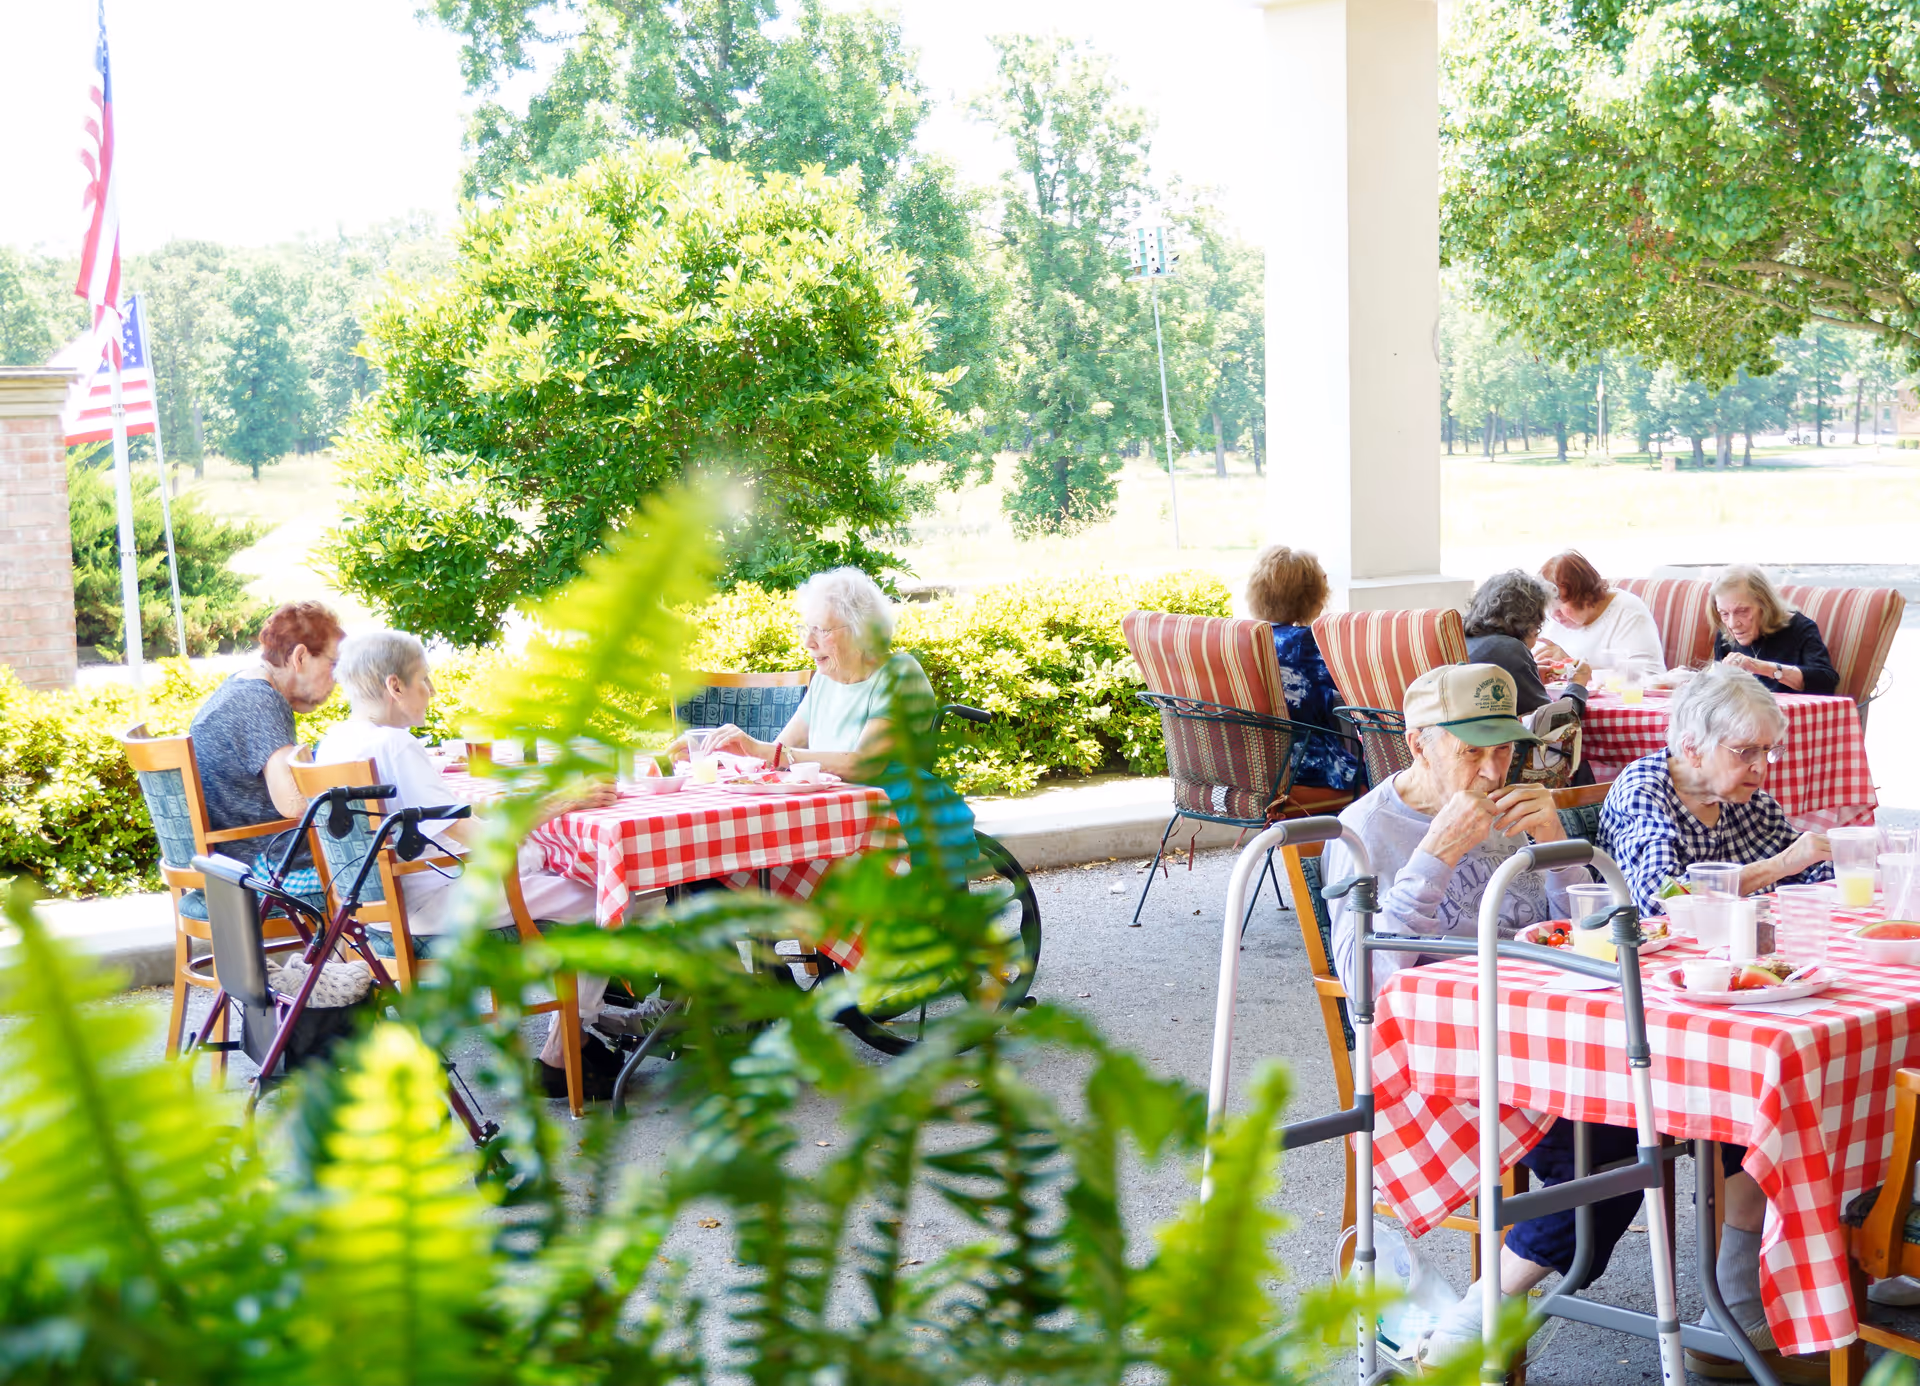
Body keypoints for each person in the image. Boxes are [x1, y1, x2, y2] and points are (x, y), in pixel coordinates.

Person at [1597, 660, 1833, 1382]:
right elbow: (1659, 900)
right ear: (1692, 746)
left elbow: (1817, 877)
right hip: (1645, 1019)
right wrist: (1778, 868)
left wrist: (1809, 866)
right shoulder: (1647, 789)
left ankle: (1815, 1261)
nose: (1763, 766)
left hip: (1733, 997)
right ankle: (1732, 1300)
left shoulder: (1739, 796)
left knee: (1827, 1056)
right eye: (1747, 751)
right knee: (1773, 1074)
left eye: (1768, 751)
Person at [315, 629, 632, 1101]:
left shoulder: (335, 741)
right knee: (602, 897)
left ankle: (584, 1021)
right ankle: (567, 1047)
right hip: (433, 900)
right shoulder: (396, 745)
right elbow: (478, 838)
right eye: (425, 680)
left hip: (377, 903)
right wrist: (558, 803)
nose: (433, 691)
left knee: (552, 871)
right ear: (395, 686)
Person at [697, 567, 975, 861]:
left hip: (884, 824)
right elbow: (777, 754)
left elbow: (864, 766)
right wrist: (724, 753)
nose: (809, 642)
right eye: (807, 629)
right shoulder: (825, 681)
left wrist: (770, 753)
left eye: (822, 630)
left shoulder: (898, 673)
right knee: (725, 856)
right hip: (830, 819)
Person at [189, 601, 345, 890]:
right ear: (299, 657)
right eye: (334, 664)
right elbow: (295, 804)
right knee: (383, 875)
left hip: (229, 862)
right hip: (263, 870)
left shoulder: (240, 685)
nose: (338, 679)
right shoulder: (261, 700)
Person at [1243, 545, 1361, 792]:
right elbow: (1356, 687)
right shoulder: (1305, 643)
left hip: (1252, 764)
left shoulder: (1246, 639)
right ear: (1309, 596)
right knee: (1391, 776)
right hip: (1306, 766)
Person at [1463, 569, 1589, 715]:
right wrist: (1577, 685)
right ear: (1531, 623)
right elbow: (1557, 725)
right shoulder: (1509, 649)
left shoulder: (1466, 641)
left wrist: (1528, 678)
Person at [1536, 550, 1666, 680]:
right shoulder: (1554, 621)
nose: (1554, 615)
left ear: (1586, 596)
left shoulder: (1628, 613)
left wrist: (1573, 667)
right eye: (1549, 606)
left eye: (1560, 606)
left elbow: (1649, 675)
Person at [1711, 564, 1839, 695]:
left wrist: (1760, 667)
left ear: (1765, 605)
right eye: (1724, 613)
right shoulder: (1725, 634)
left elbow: (1826, 683)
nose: (1732, 624)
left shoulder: (1800, 629)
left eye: (1742, 611)